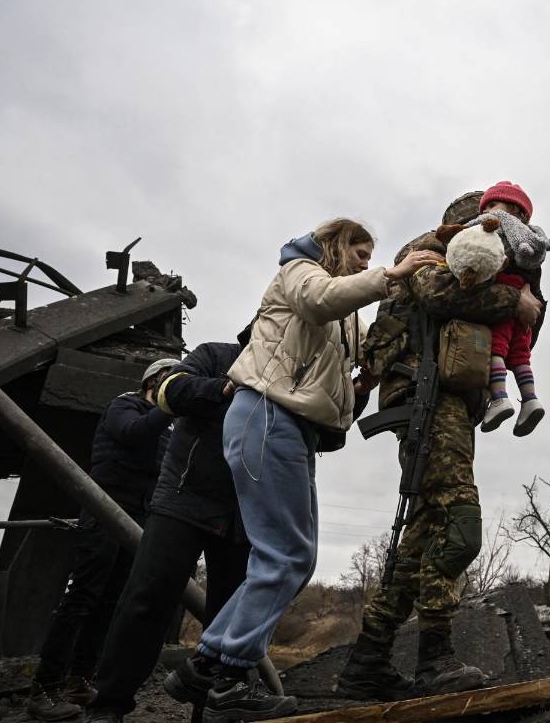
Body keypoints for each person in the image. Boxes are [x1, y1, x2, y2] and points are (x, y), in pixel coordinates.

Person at [166, 219, 439, 723]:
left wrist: (371, 374)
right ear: (337, 245)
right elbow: (320, 299)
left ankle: (206, 666)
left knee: (295, 556)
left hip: (292, 428)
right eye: (359, 252)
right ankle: (224, 679)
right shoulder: (298, 271)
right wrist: (391, 273)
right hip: (266, 416)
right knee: (285, 554)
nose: (365, 261)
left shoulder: (344, 317)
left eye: (370, 255)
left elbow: (349, 361)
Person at [336, 191, 543, 701]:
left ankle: (367, 661)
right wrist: (511, 299)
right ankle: (435, 658)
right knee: (460, 526)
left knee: (420, 542)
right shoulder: (430, 246)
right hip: (423, 394)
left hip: (456, 405)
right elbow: (436, 295)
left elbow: (524, 329)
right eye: (500, 217)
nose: (506, 227)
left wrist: (523, 295)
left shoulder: (506, 265)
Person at [83, 335, 252, 723]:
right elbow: (172, 390)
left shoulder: (293, 371)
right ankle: (109, 704)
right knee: (146, 600)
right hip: (184, 497)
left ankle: (211, 712)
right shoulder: (216, 355)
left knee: (230, 618)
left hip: (246, 510)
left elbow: (327, 432)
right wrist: (228, 385)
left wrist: (356, 393)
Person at [27, 358, 178, 722]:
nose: (178, 391)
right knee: (83, 597)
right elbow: (132, 434)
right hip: (104, 509)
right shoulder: (124, 405)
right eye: (172, 382)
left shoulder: (167, 431)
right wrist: (171, 406)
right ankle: (44, 690)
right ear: (154, 382)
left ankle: (79, 680)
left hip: (136, 519)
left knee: (110, 603)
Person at [475, 181, 550, 436]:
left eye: (493, 204)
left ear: (514, 211)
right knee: (520, 356)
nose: (485, 212)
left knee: (494, 350)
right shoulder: (535, 240)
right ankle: (530, 400)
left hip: (504, 304)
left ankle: (499, 397)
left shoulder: (495, 229)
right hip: (525, 310)